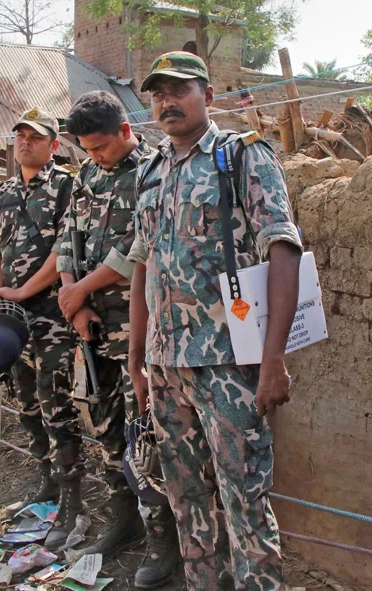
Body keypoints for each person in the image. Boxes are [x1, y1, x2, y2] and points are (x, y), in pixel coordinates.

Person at [126, 52, 302, 591]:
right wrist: (138, 361)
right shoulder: (151, 171)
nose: (166, 101)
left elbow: (284, 251)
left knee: (244, 500)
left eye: (179, 89)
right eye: (157, 93)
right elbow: (142, 265)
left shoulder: (241, 158)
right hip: (165, 366)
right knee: (186, 501)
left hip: (229, 361)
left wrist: (273, 359)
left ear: (207, 93)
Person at [57, 91, 180, 586]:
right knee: (105, 426)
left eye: (103, 146)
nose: (96, 156)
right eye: (88, 148)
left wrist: (82, 290)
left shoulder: (154, 172)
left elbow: (139, 251)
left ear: (126, 131)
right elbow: (69, 235)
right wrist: (73, 297)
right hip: (89, 324)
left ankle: (161, 541)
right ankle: (123, 520)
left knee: (142, 434)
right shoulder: (86, 174)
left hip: (137, 327)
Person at [0, 108, 83, 549]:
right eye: (20, 136)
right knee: (24, 399)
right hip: (14, 315)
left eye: (35, 137)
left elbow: (66, 249)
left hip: (50, 314)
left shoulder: (66, 186)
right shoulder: (4, 190)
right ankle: (46, 478)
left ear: (53, 144)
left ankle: (71, 497)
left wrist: (24, 292)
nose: (25, 142)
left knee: (55, 401)